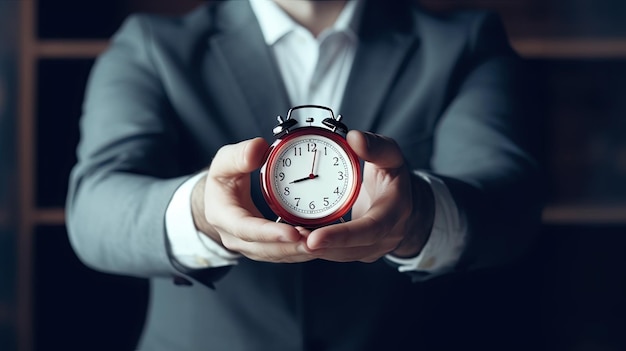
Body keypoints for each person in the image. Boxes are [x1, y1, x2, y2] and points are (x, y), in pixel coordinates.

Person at [66, 0, 544, 350]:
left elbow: (510, 208)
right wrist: (202, 212)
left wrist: (419, 215)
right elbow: (95, 210)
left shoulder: (466, 43)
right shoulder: (150, 45)